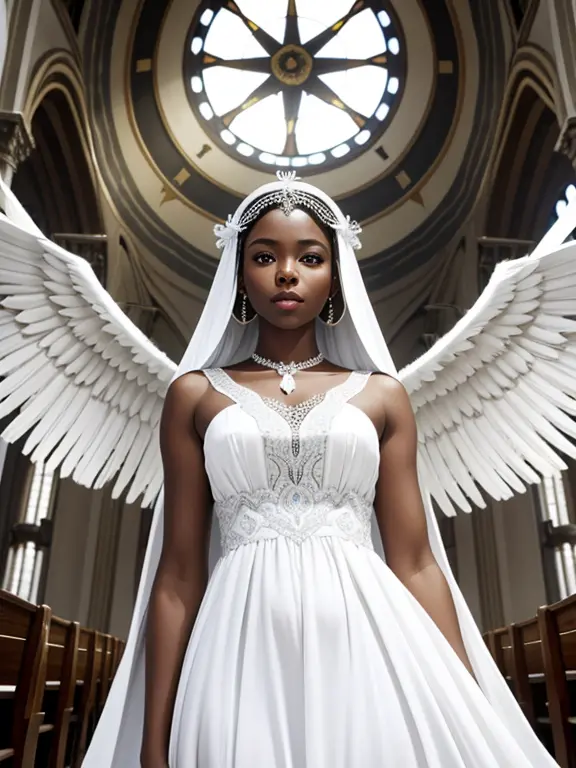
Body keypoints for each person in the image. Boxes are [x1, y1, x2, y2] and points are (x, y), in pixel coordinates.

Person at [81, 173, 559, 767]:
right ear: (239, 273)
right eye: (264, 256)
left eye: (309, 257)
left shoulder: (382, 396)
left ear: (334, 276)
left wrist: (467, 694)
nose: (287, 272)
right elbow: (178, 577)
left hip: (370, 639)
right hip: (237, 645)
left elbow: (414, 562)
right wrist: (154, 741)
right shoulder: (194, 395)